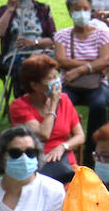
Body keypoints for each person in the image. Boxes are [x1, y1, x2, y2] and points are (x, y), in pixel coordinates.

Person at [6, 53, 84, 183]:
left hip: (65, 163)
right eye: (51, 78)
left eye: (56, 75)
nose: (57, 81)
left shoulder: (64, 100)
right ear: (34, 85)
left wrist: (63, 146)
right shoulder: (19, 107)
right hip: (35, 165)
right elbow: (43, 134)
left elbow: (80, 136)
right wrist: (53, 105)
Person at [54, 0, 109, 137]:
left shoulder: (102, 34)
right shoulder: (61, 36)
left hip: (97, 83)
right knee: (58, 102)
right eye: (77, 9)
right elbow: (61, 61)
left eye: (85, 9)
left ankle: (93, 148)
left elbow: (105, 60)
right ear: (70, 12)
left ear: (91, 10)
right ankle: (62, 141)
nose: (81, 13)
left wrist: (79, 70)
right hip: (69, 83)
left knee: (99, 105)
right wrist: (93, 65)